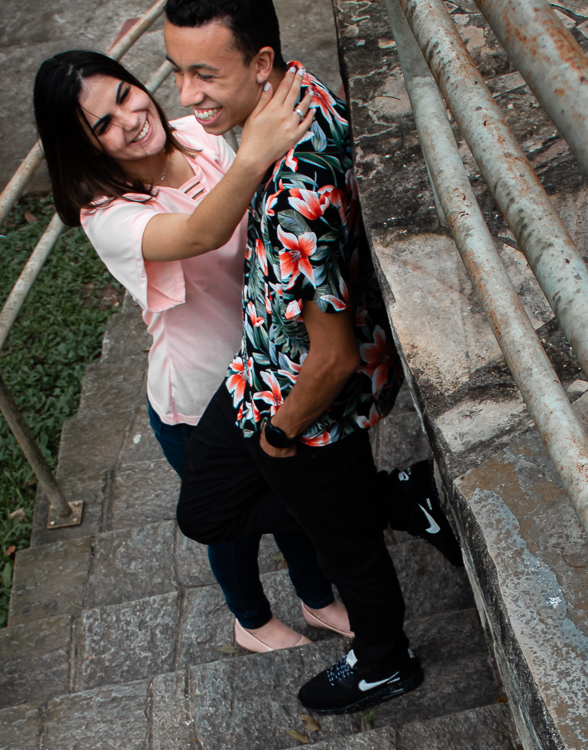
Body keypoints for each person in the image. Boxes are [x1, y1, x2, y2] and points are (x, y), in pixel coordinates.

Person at [163, 0, 461, 715]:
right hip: (260, 364)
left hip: (303, 400)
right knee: (206, 507)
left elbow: (328, 357)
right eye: (177, 71)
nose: (186, 96)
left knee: (346, 548)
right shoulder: (290, 98)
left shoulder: (295, 183)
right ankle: (400, 496)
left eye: (205, 74)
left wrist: (280, 435)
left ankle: (387, 659)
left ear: (260, 63)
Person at [32, 49, 356, 654]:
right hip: (201, 396)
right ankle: (251, 621)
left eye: (125, 95)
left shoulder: (191, 136)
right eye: (102, 125)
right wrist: (256, 145)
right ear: (86, 147)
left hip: (270, 368)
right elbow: (203, 231)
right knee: (232, 522)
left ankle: (317, 598)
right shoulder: (107, 215)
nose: (128, 120)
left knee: (294, 495)